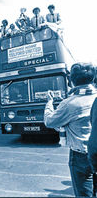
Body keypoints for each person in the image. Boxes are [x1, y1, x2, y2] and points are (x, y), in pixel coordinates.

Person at [44, 62, 97, 197]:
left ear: (71, 81)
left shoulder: (69, 103)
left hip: (81, 155)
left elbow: (49, 121)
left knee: (84, 194)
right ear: (93, 78)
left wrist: (49, 102)